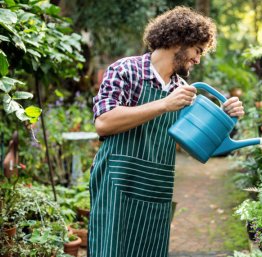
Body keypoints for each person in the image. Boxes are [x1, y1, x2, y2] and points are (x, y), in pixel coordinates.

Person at [88, 6, 245, 257]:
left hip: (156, 186)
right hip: (118, 181)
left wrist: (222, 118)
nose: (198, 59)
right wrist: (164, 104)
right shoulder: (126, 71)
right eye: (197, 50)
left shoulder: (183, 89)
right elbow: (104, 122)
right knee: (111, 250)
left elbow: (198, 147)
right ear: (178, 41)